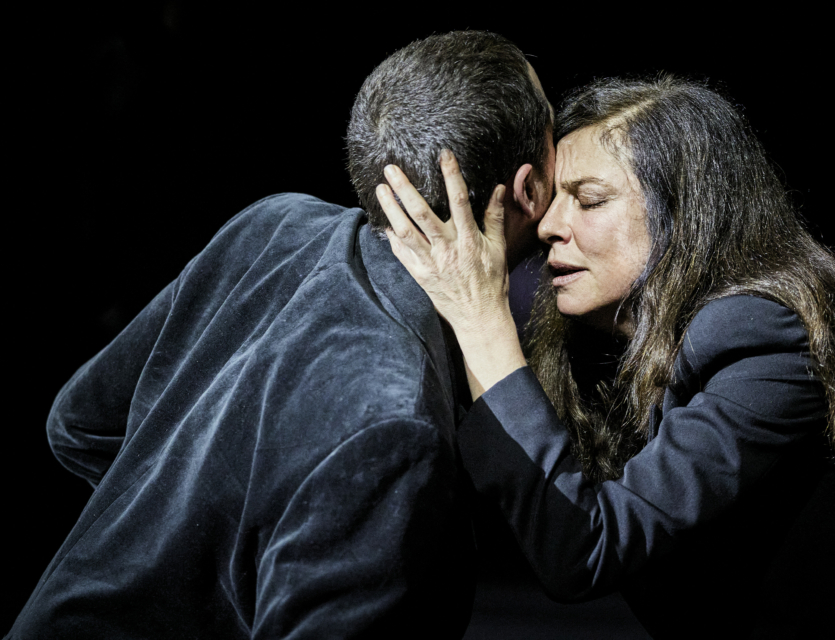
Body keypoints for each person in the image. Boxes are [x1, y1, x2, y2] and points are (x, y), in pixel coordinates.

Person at [8, 31, 554, 639]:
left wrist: (166, 538)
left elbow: (76, 424)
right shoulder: (396, 432)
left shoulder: (274, 223)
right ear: (529, 191)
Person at [378, 76, 835, 638]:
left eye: (589, 200)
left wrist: (483, 320)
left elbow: (583, 550)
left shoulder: (765, 338)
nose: (551, 225)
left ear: (682, 214)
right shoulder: (606, 348)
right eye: (556, 200)